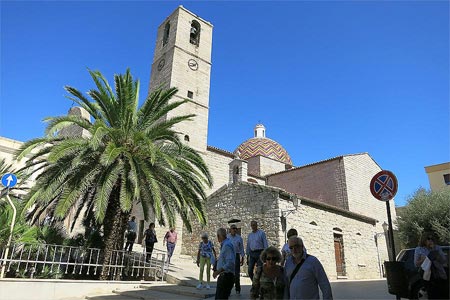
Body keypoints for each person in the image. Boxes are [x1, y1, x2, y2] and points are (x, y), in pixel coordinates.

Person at [414, 232, 448, 300]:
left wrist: (437, 254)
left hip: (438, 273)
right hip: (426, 275)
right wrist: (423, 259)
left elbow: (444, 260)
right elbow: (416, 264)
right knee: (431, 294)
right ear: (424, 240)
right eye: (428, 239)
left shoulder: (437, 248)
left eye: (432, 239)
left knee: (441, 294)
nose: (430, 240)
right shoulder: (419, 249)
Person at [213, 228, 236, 300]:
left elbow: (230, 262)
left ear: (220, 236)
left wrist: (218, 271)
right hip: (225, 276)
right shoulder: (225, 244)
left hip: (226, 277)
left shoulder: (227, 245)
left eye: (217, 236)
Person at [227, 224, 245, 295]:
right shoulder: (227, 237)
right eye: (233, 228)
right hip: (229, 256)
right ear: (230, 229)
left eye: (235, 228)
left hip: (236, 256)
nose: (234, 230)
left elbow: (241, 248)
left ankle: (237, 289)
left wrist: (242, 258)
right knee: (228, 273)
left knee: (236, 274)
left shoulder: (239, 238)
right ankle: (228, 290)